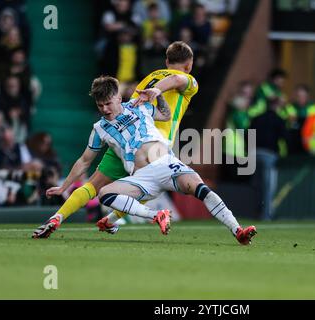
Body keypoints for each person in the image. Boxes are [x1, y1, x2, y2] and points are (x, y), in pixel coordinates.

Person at [33, 76, 257, 245]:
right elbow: (84, 161)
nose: (104, 109)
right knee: (105, 194)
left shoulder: (139, 107)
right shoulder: (99, 128)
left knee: (201, 189)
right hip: (141, 178)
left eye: (108, 103)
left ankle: (238, 230)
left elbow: (166, 115)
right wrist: (64, 186)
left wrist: (158, 95)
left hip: (166, 164)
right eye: (100, 105)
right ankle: (156, 216)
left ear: (118, 98)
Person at [32, 41, 199, 238]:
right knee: (150, 186)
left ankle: (58, 218)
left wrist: (64, 187)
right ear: (189, 65)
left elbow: (87, 158)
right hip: (154, 145)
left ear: (166, 61)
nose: (104, 108)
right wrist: (158, 91)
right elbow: (177, 84)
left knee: (93, 185)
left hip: (120, 139)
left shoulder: (148, 79)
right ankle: (113, 219)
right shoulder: (187, 79)